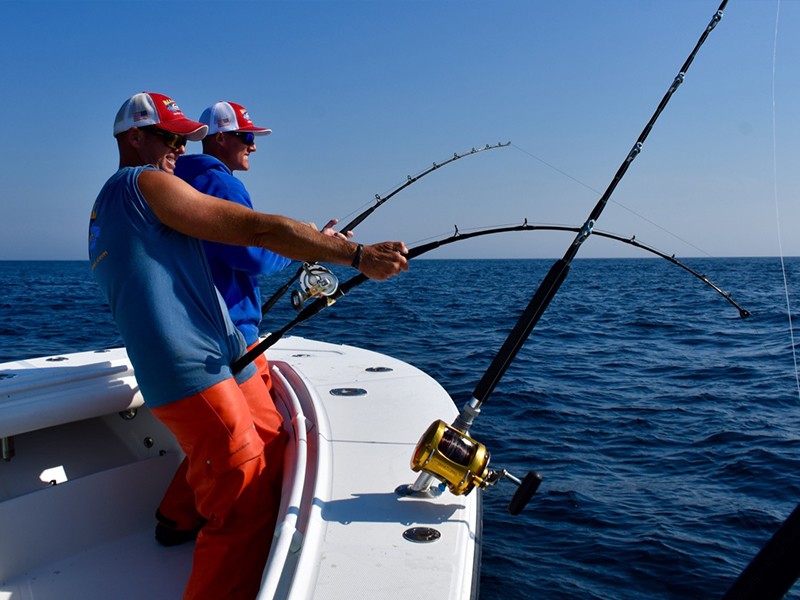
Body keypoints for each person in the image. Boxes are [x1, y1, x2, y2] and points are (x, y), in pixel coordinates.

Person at [88, 91, 407, 599]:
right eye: (169, 136)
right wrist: (356, 254)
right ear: (133, 138)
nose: (179, 146)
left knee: (275, 435)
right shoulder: (142, 183)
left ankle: (183, 523)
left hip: (222, 350)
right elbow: (257, 232)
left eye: (184, 136)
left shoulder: (115, 203)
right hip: (190, 370)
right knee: (244, 503)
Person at [174, 100, 342, 396]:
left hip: (191, 330)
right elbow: (253, 254)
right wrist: (308, 247)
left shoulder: (180, 181)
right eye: (247, 138)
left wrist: (311, 238)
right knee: (268, 433)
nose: (253, 147)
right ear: (221, 138)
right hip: (227, 336)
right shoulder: (223, 187)